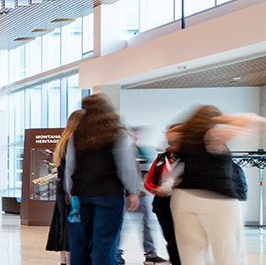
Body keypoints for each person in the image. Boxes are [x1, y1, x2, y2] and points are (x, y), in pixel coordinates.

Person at [169, 106, 266, 265]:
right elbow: (257, 120)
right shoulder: (214, 135)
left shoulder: (183, 136)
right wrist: (219, 119)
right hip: (218, 199)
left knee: (191, 253)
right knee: (227, 252)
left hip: (184, 198)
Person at [64, 95, 143, 265]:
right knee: (106, 243)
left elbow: (70, 164)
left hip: (80, 195)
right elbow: (126, 166)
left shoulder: (77, 134)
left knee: (79, 243)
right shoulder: (118, 133)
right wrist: (133, 191)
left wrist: (70, 190)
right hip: (109, 195)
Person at [47, 109, 85, 265]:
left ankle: (64, 260)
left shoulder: (63, 141)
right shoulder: (75, 142)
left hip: (63, 188)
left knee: (64, 224)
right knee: (73, 224)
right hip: (72, 189)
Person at [128, 127, 167, 265]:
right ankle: (117, 254)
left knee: (146, 225)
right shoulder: (126, 151)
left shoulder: (143, 151)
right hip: (128, 194)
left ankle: (150, 254)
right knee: (120, 226)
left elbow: (147, 173)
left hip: (141, 194)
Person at [146, 124, 183, 265]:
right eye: (168, 133)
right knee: (170, 238)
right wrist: (155, 189)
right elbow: (149, 180)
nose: (171, 136)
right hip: (162, 203)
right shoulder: (162, 157)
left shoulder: (190, 157)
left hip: (183, 202)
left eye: (175, 133)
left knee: (185, 238)